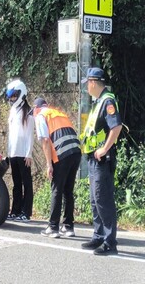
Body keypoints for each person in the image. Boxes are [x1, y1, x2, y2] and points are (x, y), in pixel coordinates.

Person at [79, 67, 122, 256]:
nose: (86, 87)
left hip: (102, 159)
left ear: (93, 82)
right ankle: (98, 235)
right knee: (95, 200)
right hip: (93, 159)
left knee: (103, 200)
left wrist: (104, 149)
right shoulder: (98, 101)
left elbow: (116, 126)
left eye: (87, 83)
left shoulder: (107, 101)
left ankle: (109, 242)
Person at [33, 97, 81, 238]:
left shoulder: (41, 116)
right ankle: (68, 227)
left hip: (62, 154)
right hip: (76, 152)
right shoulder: (59, 113)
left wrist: (49, 164)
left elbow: (46, 140)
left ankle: (53, 227)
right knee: (68, 190)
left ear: (36, 108)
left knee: (56, 189)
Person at [5, 79, 34, 222]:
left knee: (26, 183)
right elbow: (11, 134)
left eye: (14, 96)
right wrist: (8, 152)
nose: (12, 99)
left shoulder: (27, 112)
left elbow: (29, 134)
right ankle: (15, 210)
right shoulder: (12, 110)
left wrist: (29, 154)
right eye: (10, 96)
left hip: (23, 153)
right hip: (13, 152)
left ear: (21, 94)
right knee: (16, 183)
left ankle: (26, 212)